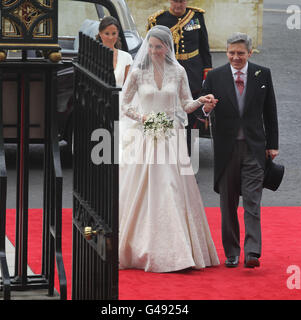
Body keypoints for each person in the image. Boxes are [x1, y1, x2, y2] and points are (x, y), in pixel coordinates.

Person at [118, 25, 219, 273]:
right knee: (145, 188)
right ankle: (142, 246)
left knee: (173, 187)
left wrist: (202, 102)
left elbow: (185, 104)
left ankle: (180, 250)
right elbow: (124, 103)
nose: (153, 51)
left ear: (167, 47)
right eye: (150, 46)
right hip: (147, 136)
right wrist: (143, 118)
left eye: (158, 47)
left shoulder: (178, 71)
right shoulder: (139, 72)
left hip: (171, 137)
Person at [200, 32, 279, 268]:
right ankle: (232, 252)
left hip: (254, 148)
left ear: (249, 53)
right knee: (228, 204)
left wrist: (273, 144)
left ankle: (253, 251)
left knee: (253, 202)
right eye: (232, 53)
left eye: (240, 53)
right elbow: (199, 108)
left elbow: (270, 111)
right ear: (226, 53)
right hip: (226, 150)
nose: (236, 57)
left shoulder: (262, 74)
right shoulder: (214, 77)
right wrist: (206, 108)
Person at [147, 0, 212, 155]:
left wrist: (207, 75)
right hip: (167, 73)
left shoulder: (196, 16)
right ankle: (165, 152)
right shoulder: (158, 20)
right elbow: (151, 50)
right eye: (176, 1)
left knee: (191, 116)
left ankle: (188, 153)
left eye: (182, 1)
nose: (179, 5)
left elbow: (204, 47)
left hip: (192, 74)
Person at [96, 16, 132, 87]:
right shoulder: (92, 55)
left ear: (118, 33)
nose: (110, 38)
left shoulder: (126, 57)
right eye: (107, 34)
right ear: (100, 34)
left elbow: (128, 87)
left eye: (114, 33)